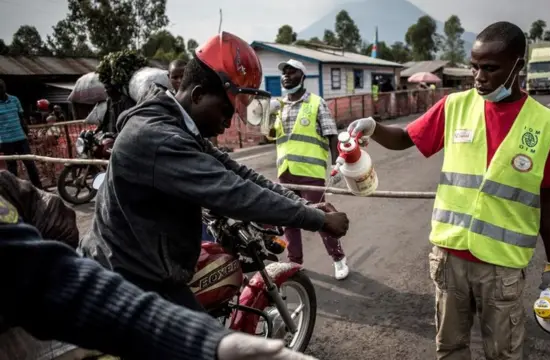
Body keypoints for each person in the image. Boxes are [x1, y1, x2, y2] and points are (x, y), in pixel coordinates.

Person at [79, 32, 349, 311]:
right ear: (197, 95)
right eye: (225, 110)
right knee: (209, 343)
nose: (227, 123)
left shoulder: (178, 125)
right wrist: (317, 219)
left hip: (144, 261)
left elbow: (238, 173)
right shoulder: (160, 137)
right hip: (129, 278)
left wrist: (306, 206)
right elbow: (236, 193)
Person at [348, 21, 550, 360]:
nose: (479, 76)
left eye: (490, 68)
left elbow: (547, 201)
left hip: (503, 266)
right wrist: (373, 127)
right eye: (475, 66)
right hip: (450, 257)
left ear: (518, 66)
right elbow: (406, 138)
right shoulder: (455, 106)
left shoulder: (545, 124)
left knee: (505, 354)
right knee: (450, 349)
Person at [0, 195, 318, 360]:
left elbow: (42, 274)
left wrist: (211, 344)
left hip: (102, 257)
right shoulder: (160, 135)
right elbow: (230, 186)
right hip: (132, 266)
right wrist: (210, 343)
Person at [270, 59, 349, 280]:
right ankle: (294, 263)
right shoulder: (279, 106)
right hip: (285, 171)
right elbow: (272, 135)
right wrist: (267, 115)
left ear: (302, 76)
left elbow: (331, 133)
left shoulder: (316, 103)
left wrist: (336, 165)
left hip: (310, 172)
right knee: (289, 219)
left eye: (291, 71)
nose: (286, 75)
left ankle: (338, 258)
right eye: (283, 72)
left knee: (319, 217)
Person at [0, 79, 42, 188]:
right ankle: (17, 193)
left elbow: (22, 118)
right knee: (12, 169)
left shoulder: (14, 100)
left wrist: (26, 134)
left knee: (30, 165)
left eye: (1, 87)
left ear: (4, 88)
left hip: (21, 138)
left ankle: (39, 188)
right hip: (6, 141)